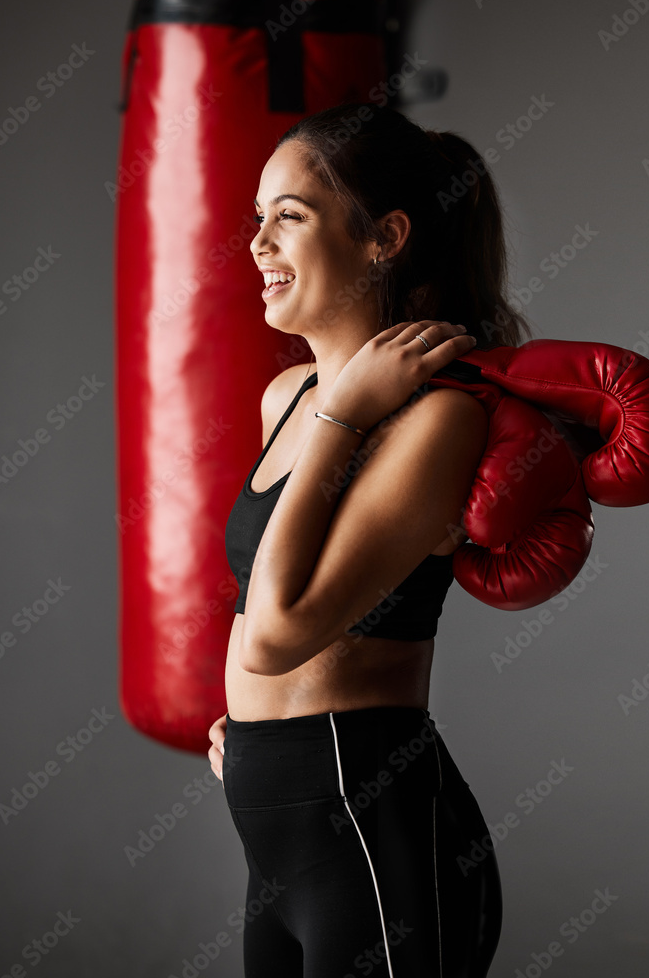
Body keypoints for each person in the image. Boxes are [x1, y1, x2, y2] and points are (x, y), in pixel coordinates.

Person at [208, 101, 532, 977]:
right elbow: (265, 610)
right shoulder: (285, 402)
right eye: (257, 218)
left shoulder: (436, 420)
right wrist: (243, 722)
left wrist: (344, 411)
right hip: (276, 829)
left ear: (384, 237)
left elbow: (280, 632)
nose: (258, 243)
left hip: (371, 820)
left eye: (290, 216)